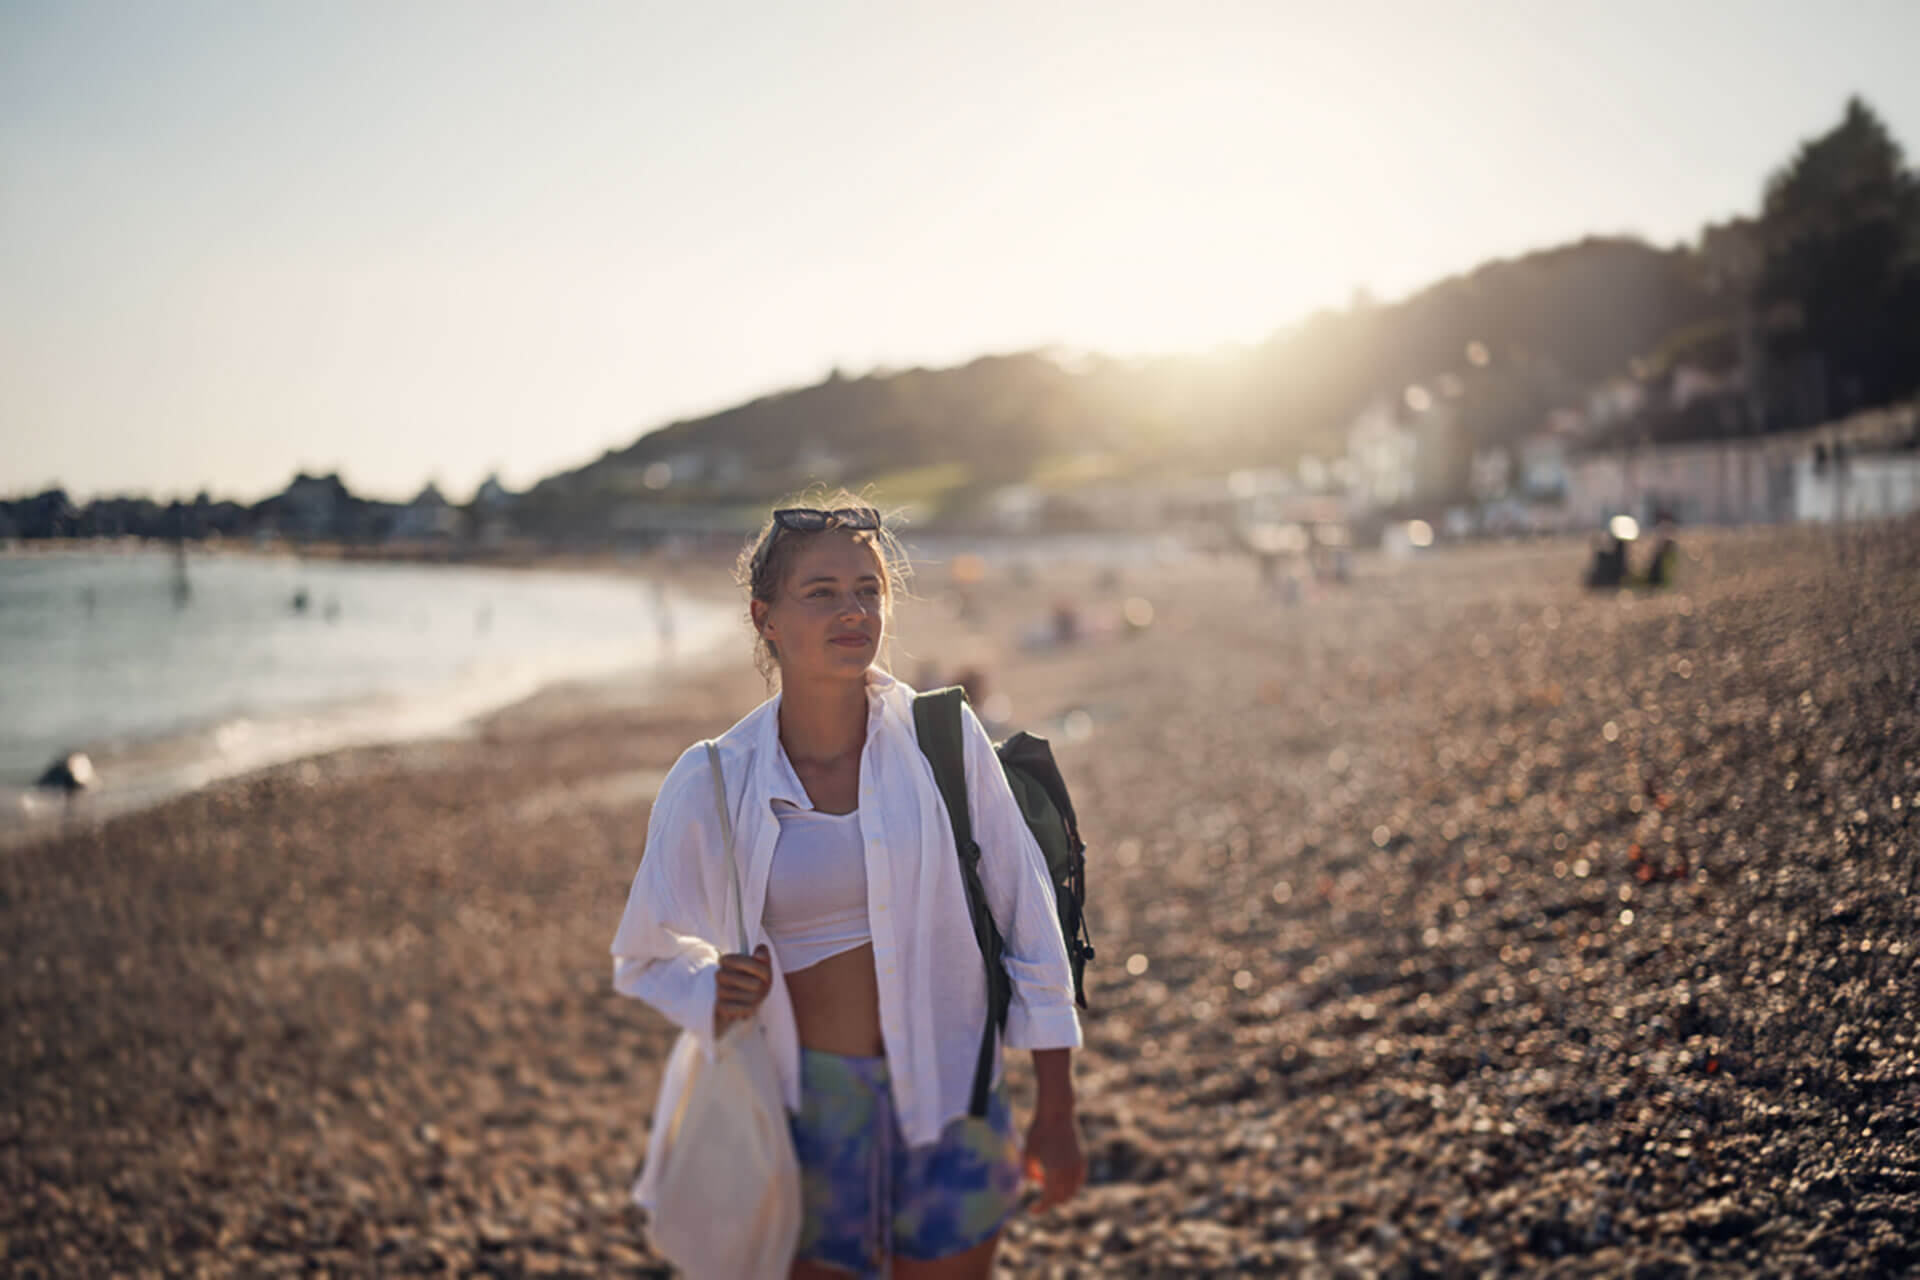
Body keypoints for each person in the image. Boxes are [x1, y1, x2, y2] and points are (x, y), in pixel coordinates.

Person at [611, 497, 1085, 1279]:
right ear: (765, 618)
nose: (853, 610)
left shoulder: (943, 738)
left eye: (869, 589)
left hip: (954, 1094)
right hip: (808, 1112)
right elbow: (643, 954)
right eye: (822, 592)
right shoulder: (716, 778)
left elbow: (1029, 919)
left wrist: (1057, 1110)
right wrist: (710, 987)